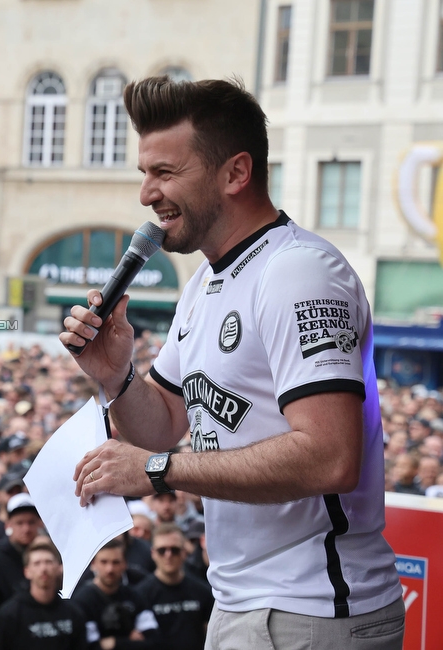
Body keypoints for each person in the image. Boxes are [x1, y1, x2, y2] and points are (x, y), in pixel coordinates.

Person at [63, 76, 403, 646]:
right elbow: (165, 424)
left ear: (236, 173)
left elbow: (331, 457)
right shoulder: (203, 284)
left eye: (165, 173)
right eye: (145, 174)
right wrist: (115, 375)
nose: (147, 194)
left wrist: (156, 470)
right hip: (243, 603)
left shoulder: (298, 272)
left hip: (313, 609)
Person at [0, 540, 86, 650]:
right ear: (27, 571)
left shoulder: (73, 613)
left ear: (59, 568)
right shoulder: (9, 616)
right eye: (37, 563)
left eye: (48, 562)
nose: (43, 569)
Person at [135, 524, 213, 650]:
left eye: (174, 550)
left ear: (184, 553)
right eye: (162, 550)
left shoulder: (202, 591)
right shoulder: (140, 594)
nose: (168, 555)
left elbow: (210, 633)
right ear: (153, 553)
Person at [71, 538, 159, 649]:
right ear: (93, 564)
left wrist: (114, 643)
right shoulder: (82, 600)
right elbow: (89, 646)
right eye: (104, 562)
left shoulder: (134, 596)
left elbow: (153, 641)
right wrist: (130, 641)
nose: (110, 569)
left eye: (116, 562)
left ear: (125, 564)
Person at [0, 493, 42, 609]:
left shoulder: (48, 556)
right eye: (19, 523)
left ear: (40, 523)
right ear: (8, 525)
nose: (26, 529)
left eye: (31, 522)